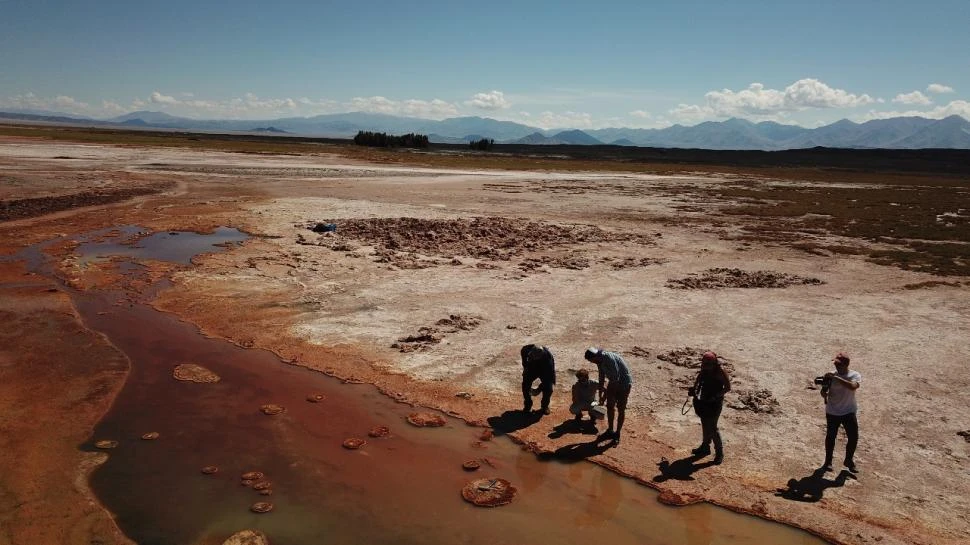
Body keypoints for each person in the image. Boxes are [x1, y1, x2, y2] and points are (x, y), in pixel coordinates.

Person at [821, 352, 861, 473]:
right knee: (830, 437)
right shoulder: (830, 375)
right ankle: (828, 462)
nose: (836, 367)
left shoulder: (854, 375)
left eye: (839, 364)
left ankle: (848, 460)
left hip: (849, 411)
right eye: (835, 364)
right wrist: (824, 394)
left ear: (846, 364)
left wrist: (836, 378)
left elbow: (853, 386)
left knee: (853, 437)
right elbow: (824, 390)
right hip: (833, 411)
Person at [689, 351, 731, 464]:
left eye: (708, 365)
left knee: (712, 427)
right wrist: (694, 389)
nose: (706, 367)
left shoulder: (720, 371)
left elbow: (727, 387)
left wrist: (716, 396)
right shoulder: (705, 368)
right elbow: (699, 378)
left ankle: (719, 453)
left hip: (715, 402)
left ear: (714, 363)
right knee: (704, 423)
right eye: (704, 364)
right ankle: (705, 447)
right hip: (703, 399)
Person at [584, 347, 633, 441]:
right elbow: (601, 376)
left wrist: (605, 396)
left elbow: (615, 379)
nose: (592, 362)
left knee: (621, 408)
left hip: (624, 385)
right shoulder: (599, 360)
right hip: (613, 382)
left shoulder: (608, 358)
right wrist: (600, 394)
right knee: (610, 407)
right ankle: (610, 430)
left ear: (596, 356)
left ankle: (617, 433)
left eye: (592, 360)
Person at [521, 344, 556, 414]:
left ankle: (544, 406)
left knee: (548, 388)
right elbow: (524, 361)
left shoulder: (547, 358)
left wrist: (539, 388)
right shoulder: (525, 350)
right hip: (531, 367)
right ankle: (528, 405)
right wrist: (525, 369)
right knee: (525, 385)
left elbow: (550, 374)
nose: (533, 358)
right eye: (531, 357)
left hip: (544, 369)